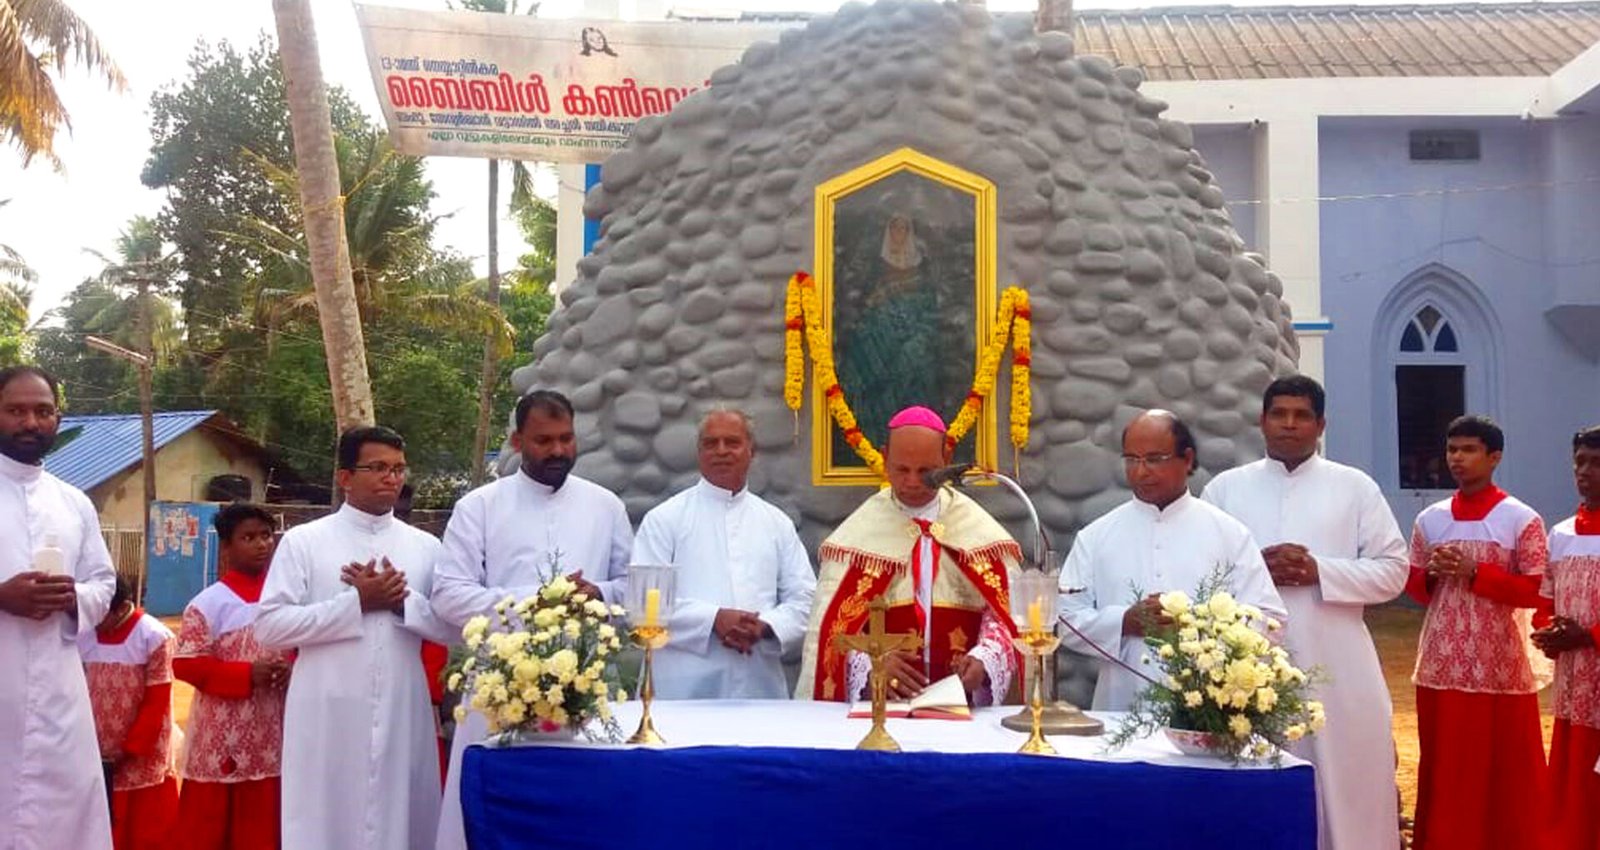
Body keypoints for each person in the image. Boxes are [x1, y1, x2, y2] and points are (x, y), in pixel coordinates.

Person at [1202, 376, 1409, 850]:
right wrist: (1257, 571)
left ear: (1321, 425)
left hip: (1338, 661)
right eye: (1279, 414)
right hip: (1243, 666)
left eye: (1301, 416)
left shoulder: (1355, 487)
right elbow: (1200, 574)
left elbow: (1394, 571)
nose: (1289, 425)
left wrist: (1320, 570)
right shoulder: (1225, 490)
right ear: (1262, 420)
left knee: (1348, 778)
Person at [431, 389, 632, 850]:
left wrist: (598, 592)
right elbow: (448, 595)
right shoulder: (479, 506)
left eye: (566, 438)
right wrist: (537, 601)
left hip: (585, 683)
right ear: (518, 441)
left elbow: (632, 589)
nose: (559, 450)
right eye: (544, 440)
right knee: (491, 809)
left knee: (579, 809)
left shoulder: (606, 506)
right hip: (500, 686)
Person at [255, 426, 457, 850]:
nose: (392, 478)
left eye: (399, 469)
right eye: (378, 467)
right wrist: (355, 604)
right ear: (344, 477)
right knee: (325, 816)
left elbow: (452, 629)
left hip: (403, 706)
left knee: (400, 816)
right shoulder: (303, 542)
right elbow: (271, 625)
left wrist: (402, 603)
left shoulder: (426, 547)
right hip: (326, 709)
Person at [1059, 409, 1286, 711]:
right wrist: (1124, 622)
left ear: (1188, 459)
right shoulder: (1096, 536)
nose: (1141, 472)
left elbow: (1271, 620)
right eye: (1132, 459)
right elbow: (1064, 620)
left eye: (1154, 459)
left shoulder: (1229, 533)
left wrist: (1199, 629)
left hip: (1208, 712)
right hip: (1121, 706)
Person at [797, 406, 1019, 705]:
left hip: (962, 710)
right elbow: (828, 636)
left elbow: (1009, 618)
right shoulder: (854, 540)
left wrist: (986, 658)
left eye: (926, 471)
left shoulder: (982, 536)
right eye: (902, 469)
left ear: (947, 460)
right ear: (885, 457)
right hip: (880, 710)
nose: (913, 482)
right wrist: (871, 664)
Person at [1404, 415, 1550, 850]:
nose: (1457, 459)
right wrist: (1430, 574)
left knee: (1503, 763)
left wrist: (1476, 573)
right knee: (1446, 761)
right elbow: (1414, 588)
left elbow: (1536, 591)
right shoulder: (1429, 519)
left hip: (1500, 663)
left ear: (1494, 457)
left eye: (1468, 450)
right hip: (1441, 660)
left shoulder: (1521, 519)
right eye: (1452, 450)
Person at [0, 365, 118, 850]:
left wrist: (74, 598)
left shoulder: (74, 503)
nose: (30, 422)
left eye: (42, 411)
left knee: (64, 813)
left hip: (57, 691)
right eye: (16, 410)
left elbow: (104, 582)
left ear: (57, 418)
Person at [633, 408, 816, 699]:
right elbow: (645, 603)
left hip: (758, 687)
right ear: (698, 452)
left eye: (732, 442)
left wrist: (766, 625)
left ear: (751, 451)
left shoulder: (775, 522)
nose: (721, 451)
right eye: (710, 443)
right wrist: (714, 619)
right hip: (681, 689)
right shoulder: (664, 519)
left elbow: (807, 599)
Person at [171, 502, 290, 850]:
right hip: (221, 734)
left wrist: (289, 669)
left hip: (273, 729)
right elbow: (187, 664)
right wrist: (248, 674)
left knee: (265, 822)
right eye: (248, 537)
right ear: (226, 547)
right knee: (210, 827)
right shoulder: (208, 603)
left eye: (266, 536)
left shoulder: (284, 598)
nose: (261, 544)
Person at [1532, 426, 1600, 850]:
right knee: (1575, 774)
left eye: (1597, 463)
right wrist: (1551, 631)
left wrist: (1589, 635)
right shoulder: (1561, 533)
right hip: (1575, 682)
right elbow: (1546, 597)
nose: (1585, 472)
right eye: (1580, 461)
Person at [78, 575, 180, 850]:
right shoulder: (82, 635)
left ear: (122, 608)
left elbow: (157, 700)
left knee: (145, 830)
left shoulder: (154, 636)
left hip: (140, 751)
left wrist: (131, 748)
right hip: (93, 748)